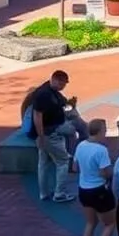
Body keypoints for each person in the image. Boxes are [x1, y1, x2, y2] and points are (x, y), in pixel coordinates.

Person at [75, 119, 116, 236]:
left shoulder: (80, 146)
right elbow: (104, 172)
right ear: (99, 131)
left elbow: (75, 166)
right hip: (99, 190)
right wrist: (111, 172)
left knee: (90, 223)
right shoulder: (101, 150)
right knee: (110, 223)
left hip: (83, 190)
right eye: (104, 130)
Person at [30, 70, 78, 203]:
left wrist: (70, 103)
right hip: (49, 134)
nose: (64, 87)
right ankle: (59, 193)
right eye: (63, 84)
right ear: (56, 80)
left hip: (47, 133)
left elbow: (62, 104)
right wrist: (41, 137)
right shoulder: (43, 94)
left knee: (43, 163)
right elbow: (37, 116)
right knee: (62, 161)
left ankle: (43, 193)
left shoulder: (51, 91)